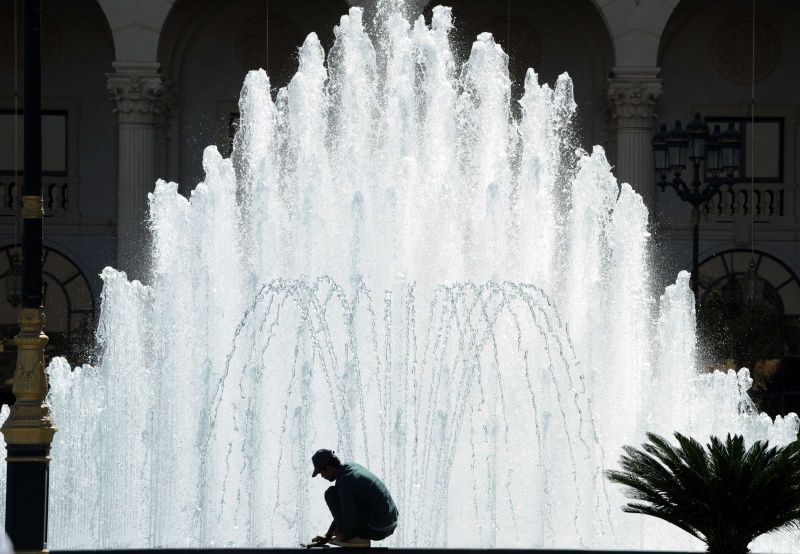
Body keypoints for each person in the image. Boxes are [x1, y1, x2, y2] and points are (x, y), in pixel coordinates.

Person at [309, 449, 398, 547]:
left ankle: (352, 539)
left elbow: (348, 515)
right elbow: (342, 513)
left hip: (378, 528)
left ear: (329, 468)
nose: (322, 476)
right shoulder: (350, 468)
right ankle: (352, 537)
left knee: (330, 494)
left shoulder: (345, 482)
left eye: (321, 473)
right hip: (389, 524)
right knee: (336, 495)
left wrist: (345, 537)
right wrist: (328, 536)